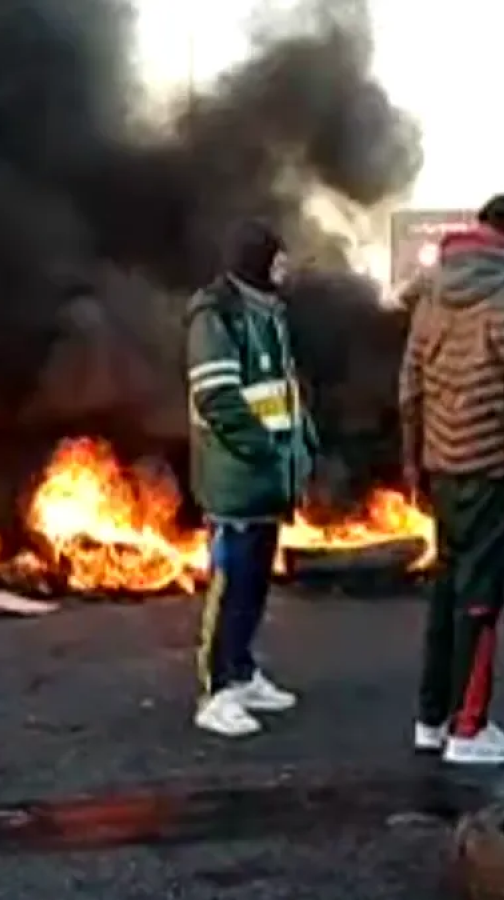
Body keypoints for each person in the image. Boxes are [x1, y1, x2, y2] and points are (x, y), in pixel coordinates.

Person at [398, 193, 504, 766]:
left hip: (442, 466)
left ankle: (431, 718)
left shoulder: (432, 294)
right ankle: (468, 728)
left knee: (446, 587)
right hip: (496, 469)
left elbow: (410, 386)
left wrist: (412, 464)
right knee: (480, 598)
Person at [184, 219, 318, 738]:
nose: (286, 268)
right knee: (229, 585)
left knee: (255, 586)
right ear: (259, 259)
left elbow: (283, 392)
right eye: (279, 258)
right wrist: (263, 450)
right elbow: (216, 396)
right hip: (236, 479)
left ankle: (242, 674)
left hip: (267, 481)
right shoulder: (217, 315)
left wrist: (302, 442)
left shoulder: (268, 314)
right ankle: (215, 692)